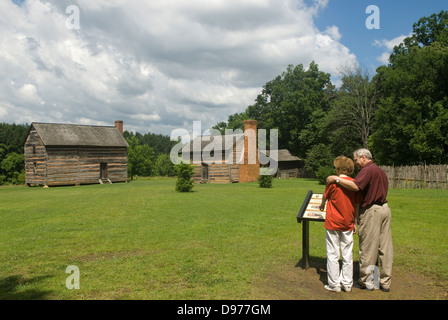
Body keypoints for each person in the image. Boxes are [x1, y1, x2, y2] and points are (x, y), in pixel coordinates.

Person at [326, 148, 393, 292]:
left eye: (356, 160)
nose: (355, 163)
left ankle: (367, 281)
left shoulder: (368, 170)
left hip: (372, 211)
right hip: (385, 209)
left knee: (368, 247)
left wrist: (336, 179)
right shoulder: (380, 171)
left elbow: (356, 186)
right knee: (385, 247)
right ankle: (385, 282)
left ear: (363, 157)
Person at [319, 156, 361, 293]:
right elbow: (357, 203)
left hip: (333, 222)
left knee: (332, 253)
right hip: (347, 222)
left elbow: (325, 196)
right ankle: (347, 283)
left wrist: (322, 204)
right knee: (347, 253)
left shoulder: (332, 182)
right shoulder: (354, 183)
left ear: (338, 169)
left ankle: (334, 284)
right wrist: (355, 220)